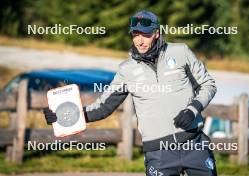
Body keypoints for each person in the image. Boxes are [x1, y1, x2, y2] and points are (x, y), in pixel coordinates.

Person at [43, 10, 217, 176]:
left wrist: (192, 109)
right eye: (135, 34)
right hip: (158, 154)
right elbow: (103, 107)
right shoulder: (126, 70)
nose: (140, 41)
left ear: (156, 33)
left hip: (194, 144)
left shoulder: (180, 52)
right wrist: (64, 116)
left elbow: (207, 85)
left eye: (145, 35)